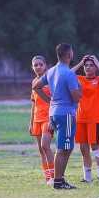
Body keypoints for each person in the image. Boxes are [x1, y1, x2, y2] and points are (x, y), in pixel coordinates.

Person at [32, 43, 81, 190]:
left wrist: (50, 100)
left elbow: (36, 86)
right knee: (62, 148)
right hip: (66, 113)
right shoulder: (69, 73)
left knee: (67, 148)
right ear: (69, 55)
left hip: (53, 113)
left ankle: (60, 179)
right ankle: (58, 182)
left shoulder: (52, 71)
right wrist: (80, 90)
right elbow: (76, 97)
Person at [71, 55, 99, 183]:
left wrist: (97, 62)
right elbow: (68, 74)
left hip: (95, 119)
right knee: (83, 148)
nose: (88, 67)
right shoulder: (79, 79)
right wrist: (81, 62)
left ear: (95, 67)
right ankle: (87, 177)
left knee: (95, 147)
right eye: (86, 65)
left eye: (91, 65)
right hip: (81, 119)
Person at [29, 55, 54, 184]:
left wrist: (52, 119)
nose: (38, 67)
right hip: (37, 120)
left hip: (48, 119)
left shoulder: (50, 81)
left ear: (46, 66)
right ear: (32, 67)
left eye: (40, 64)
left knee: (46, 146)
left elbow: (54, 101)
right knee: (41, 150)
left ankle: (54, 176)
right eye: (35, 65)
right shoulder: (34, 82)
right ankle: (48, 177)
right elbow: (34, 104)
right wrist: (30, 122)